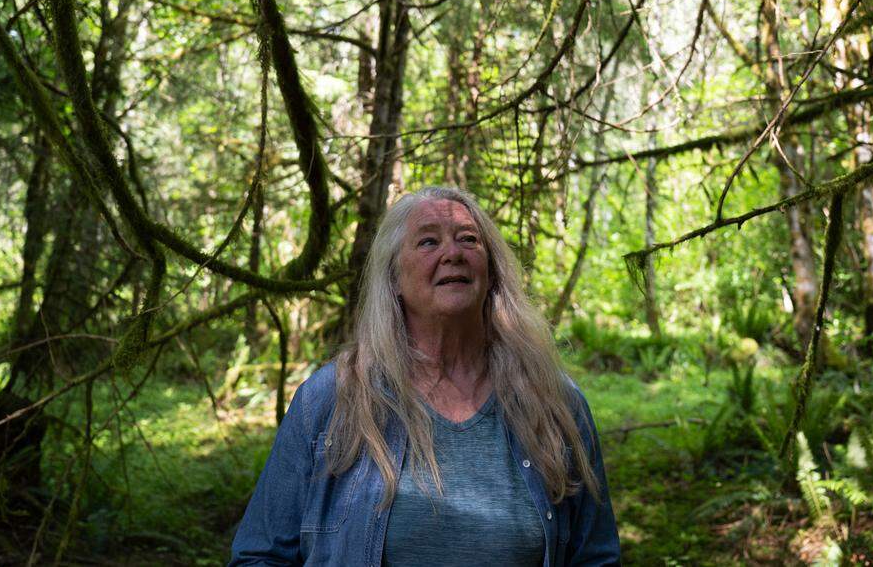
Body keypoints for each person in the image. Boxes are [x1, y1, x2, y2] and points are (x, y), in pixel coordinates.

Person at [229, 186, 620, 566]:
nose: (453, 253)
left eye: (468, 239)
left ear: (493, 272)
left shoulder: (554, 403)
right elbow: (260, 555)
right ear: (395, 279)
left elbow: (595, 557)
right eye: (428, 242)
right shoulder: (331, 400)